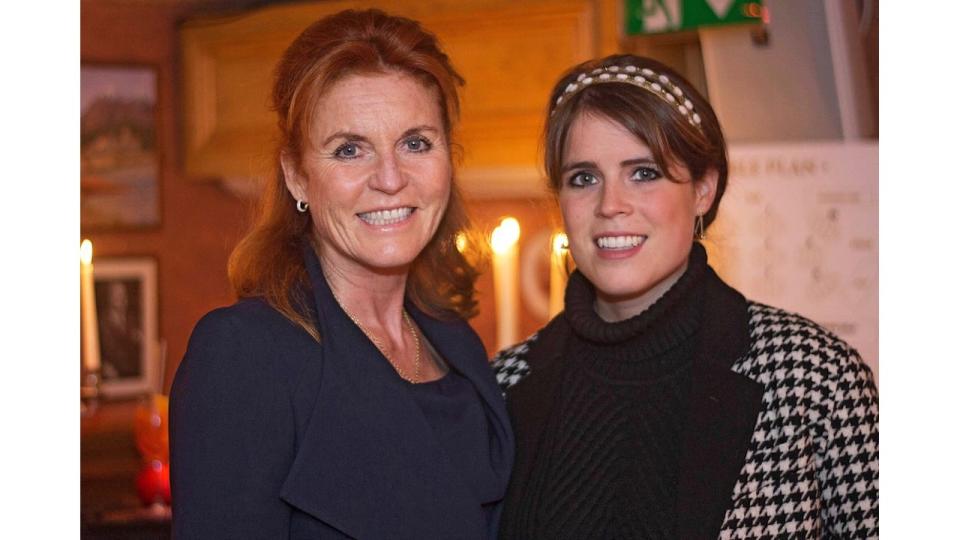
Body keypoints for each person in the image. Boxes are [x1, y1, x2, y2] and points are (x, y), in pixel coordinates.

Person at [492, 54, 879, 539]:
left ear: (703, 190)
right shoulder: (502, 389)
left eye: (644, 172)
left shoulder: (814, 376)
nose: (611, 205)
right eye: (584, 179)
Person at [170, 9, 513, 539]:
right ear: (297, 176)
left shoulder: (459, 346)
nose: (391, 178)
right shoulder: (245, 355)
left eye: (416, 142)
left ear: (450, 158)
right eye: (350, 150)